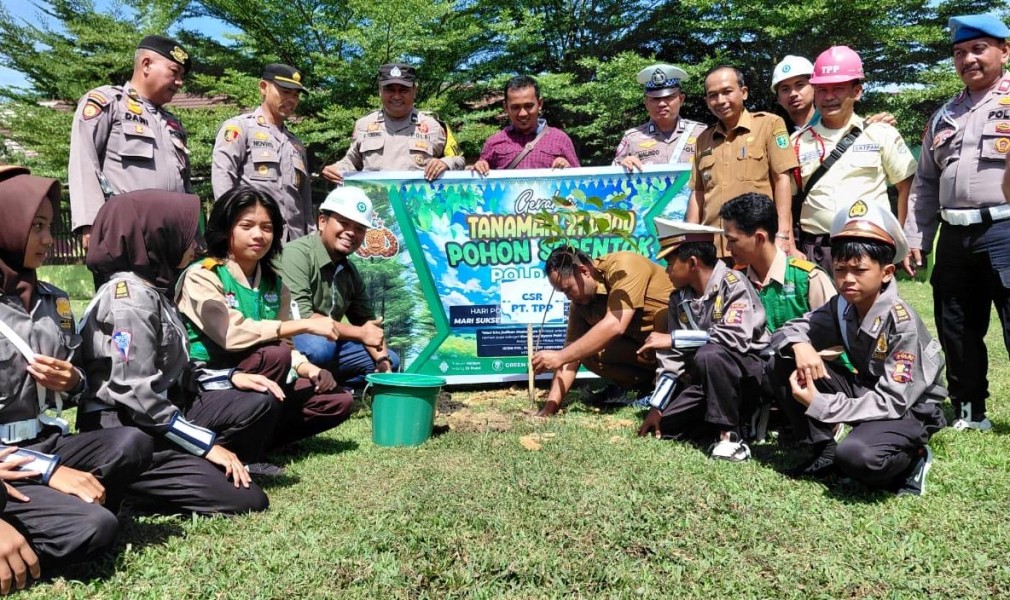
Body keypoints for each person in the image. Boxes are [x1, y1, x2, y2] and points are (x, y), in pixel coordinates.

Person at [0, 166, 153, 573]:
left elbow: (77, 380)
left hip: (46, 440)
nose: (49, 240)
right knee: (95, 529)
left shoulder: (56, 301)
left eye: (50, 226)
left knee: (131, 444)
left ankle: (56, 508)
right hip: (5, 462)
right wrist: (48, 472)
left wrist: (72, 381)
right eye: (37, 227)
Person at [78, 190, 270, 515]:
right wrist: (207, 446)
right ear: (158, 234)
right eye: (186, 235)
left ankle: (180, 462)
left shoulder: (154, 287)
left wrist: (231, 377)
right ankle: (132, 487)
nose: (195, 245)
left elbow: (175, 369)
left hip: (155, 415)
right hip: (126, 425)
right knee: (247, 499)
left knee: (255, 401)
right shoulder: (130, 300)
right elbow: (137, 396)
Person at [771, 198, 946, 495]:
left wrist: (820, 404)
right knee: (782, 359)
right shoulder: (842, 304)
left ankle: (912, 460)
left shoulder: (901, 322)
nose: (846, 279)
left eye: (859, 270)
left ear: (887, 272)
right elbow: (787, 331)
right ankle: (822, 450)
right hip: (868, 389)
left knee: (857, 455)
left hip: (909, 408)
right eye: (840, 270)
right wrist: (800, 345)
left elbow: (892, 401)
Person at [175, 186, 354, 458]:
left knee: (337, 400)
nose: (258, 235)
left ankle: (261, 440)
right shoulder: (203, 275)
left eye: (267, 227)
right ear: (226, 228)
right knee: (274, 357)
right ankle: (239, 450)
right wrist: (304, 324)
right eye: (246, 226)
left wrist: (310, 369)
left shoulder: (275, 283)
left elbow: (286, 346)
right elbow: (231, 335)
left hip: (262, 376)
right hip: (208, 382)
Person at [903, 14, 1010, 432]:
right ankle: (969, 410)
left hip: (1005, 229)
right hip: (954, 234)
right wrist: (918, 238)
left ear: (1005, 50)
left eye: (978, 48)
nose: (968, 59)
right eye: (959, 53)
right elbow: (925, 183)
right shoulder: (943, 116)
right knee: (957, 324)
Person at [720, 192, 848, 458]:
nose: (728, 249)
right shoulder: (737, 281)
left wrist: (801, 351)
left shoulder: (807, 277)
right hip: (766, 372)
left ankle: (825, 428)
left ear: (758, 238)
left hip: (814, 373)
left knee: (782, 360)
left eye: (732, 240)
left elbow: (840, 342)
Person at [636, 220, 768, 461]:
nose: (666, 271)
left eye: (669, 263)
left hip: (747, 371)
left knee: (710, 353)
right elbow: (672, 361)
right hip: (706, 378)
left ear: (692, 263)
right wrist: (657, 407)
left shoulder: (733, 284)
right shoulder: (679, 299)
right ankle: (728, 418)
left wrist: (674, 338)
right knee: (667, 426)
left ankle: (731, 436)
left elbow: (735, 337)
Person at [792, 46, 916, 272]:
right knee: (817, 308)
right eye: (821, 89)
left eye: (838, 88)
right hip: (817, 251)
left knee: (873, 309)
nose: (829, 97)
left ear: (857, 91)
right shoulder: (797, 142)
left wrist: (905, 238)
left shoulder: (880, 133)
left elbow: (907, 187)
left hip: (869, 246)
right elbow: (786, 200)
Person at [68, 35, 193, 248]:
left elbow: (186, 185)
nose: (179, 82)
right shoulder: (110, 103)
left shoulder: (173, 124)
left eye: (182, 75)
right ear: (146, 64)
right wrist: (90, 223)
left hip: (172, 241)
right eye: (174, 72)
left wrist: (192, 234)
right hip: (125, 235)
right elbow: (83, 161)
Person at [531, 247, 673, 417]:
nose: (568, 298)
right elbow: (571, 353)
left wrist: (559, 356)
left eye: (568, 289)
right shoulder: (581, 303)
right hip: (648, 351)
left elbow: (615, 324)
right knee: (584, 350)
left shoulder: (623, 266)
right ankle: (646, 388)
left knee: (575, 350)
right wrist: (550, 408)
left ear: (584, 271)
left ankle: (670, 388)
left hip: (678, 343)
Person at [280, 187, 399, 386]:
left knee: (391, 360)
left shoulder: (349, 271)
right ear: (322, 221)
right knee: (319, 347)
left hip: (329, 344)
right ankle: (298, 382)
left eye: (360, 228)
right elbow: (303, 318)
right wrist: (361, 334)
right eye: (343, 223)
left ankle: (330, 384)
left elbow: (368, 323)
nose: (351, 233)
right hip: (292, 342)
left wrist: (383, 363)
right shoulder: (296, 254)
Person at [687, 66, 798, 258]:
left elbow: (782, 180)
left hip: (758, 246)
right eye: (713, 95)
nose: (720, 100)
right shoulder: (703, 140)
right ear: (706, 102)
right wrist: (690, 242)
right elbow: (698, 193)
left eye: (727, 92)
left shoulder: (769, 125)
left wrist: (783, 235)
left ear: (743, 92)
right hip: (715, 250)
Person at [211, 64, 314, 242]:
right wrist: (229, 228)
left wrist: (311, 238)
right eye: (285, 91)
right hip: (255, 239)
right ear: (264, 87)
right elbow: (223, 180)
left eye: (296, 94)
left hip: (295, 243)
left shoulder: (296, 144)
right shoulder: (240, 128)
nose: (291, 99)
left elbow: (304, 198)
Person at [321, 63, 464, 183]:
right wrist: (336, 168)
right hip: (375, 207)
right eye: (390, 90)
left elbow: (459, 160)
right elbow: (351, 162)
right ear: (380, 91)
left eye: (403, 90)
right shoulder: (363, 125)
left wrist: (446, 163)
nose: (396, 96)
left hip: (418, 208)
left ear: (415, 90)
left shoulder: (434, 126)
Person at [471, 75, 580, 174]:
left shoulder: (560, 139)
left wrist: (567, 167)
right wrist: (479, 167)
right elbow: (481, 189)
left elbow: (581, 183)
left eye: (528, 106)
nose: (522, 113)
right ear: (506, 107)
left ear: (540, 103)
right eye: (515, 107)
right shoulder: (493, 143)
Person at [613, 64, 708, 171]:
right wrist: (623, 166)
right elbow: (610, 181)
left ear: (681, 100)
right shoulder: (631, 139)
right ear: (646, 103)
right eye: (655, 99)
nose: (662, 103)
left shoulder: (702, 133)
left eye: (668, 97)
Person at [771, 55, 818, 134]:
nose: (793, 94)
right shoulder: (774, 135)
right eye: (785, 89)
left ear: (814, 87)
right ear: (778, 99)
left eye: (799, 85)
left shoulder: (833, 123)